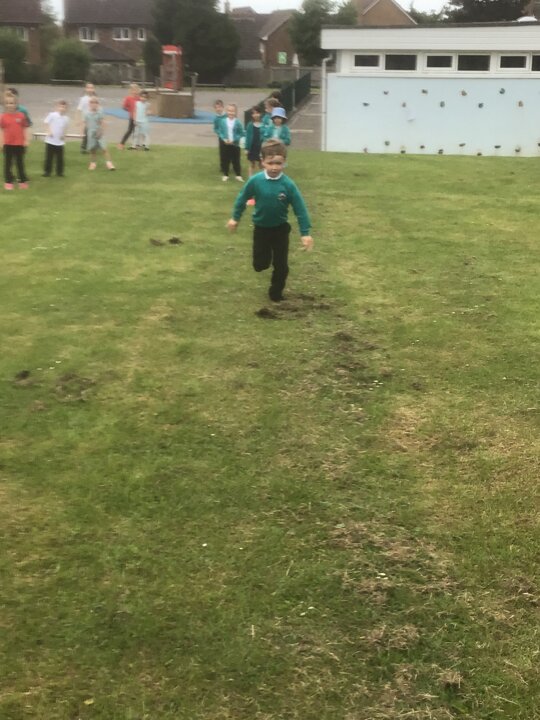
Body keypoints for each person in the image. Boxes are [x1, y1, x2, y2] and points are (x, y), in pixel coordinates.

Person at [227, 139, 313, 302]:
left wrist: (305, 233)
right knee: (260, 265)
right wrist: (235, 218)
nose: (274, 167)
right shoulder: (255, 181)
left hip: (280, 230)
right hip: (261, 229)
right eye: (270, 163)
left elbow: (300, 208)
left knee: (282, 266)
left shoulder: (288, 185)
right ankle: (263, 261)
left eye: (278, 163)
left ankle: (276, 294)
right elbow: (242, 198)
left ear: (284, 162)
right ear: (263, 162)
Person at [1, 92, 30, 190]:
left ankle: (22, 180)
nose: (10, 105)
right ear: (5, 105)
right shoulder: (3, 117)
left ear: (16, 104)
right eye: (8, 103)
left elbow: (25, 128)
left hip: (19, 144)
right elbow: (1, 130)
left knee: (20, 163)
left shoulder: (21, 116)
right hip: (8, 144)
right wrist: (1, 143)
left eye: (12, 103)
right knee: (8, 164)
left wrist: (26, 140)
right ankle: (8, 181)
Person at [84, 96, 115, 171]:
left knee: (104, 148)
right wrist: (84, 132)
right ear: (89, 104)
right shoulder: (87, 113)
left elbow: (102, 122)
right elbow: (86, 123)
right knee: (92, 149)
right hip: (91, 133)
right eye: (92, 103)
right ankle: (93, 163)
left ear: (97, 104)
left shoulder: (100, 112)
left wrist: (101, 131)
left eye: (95, 103)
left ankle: (109, 164)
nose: (94, 104)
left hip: (99, 132)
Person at [217, 103, 245, 182]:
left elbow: (241, 133)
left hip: (235, 144)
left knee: (236, 160)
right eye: (229, 111)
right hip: (225, 144)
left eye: (233, 111)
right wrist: (224, 139)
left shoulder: (238, 122)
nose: (231, 113)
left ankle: (238, 175)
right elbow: (220, 132)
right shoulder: (223, 121)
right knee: (226, 159)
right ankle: (225, 174)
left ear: (235, 112)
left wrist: (234, 139)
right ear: (226, 111)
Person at [43, 100, 69, 178]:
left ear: (66, 109)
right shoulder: (52, 115)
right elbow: (46, 123)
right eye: (61, 107)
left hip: (60, 142)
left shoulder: (66, 118)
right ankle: (47, 172)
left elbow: (65, 128)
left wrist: (64, 135)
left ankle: (59, 172)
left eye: (64, 107)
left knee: (60, 158)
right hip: (50, 141)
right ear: (57, 107)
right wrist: (49, 131)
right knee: (49, 157)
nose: (62, 108)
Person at [118, 83, 140, 149]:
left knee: (136, 132)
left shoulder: (138, 98)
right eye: (133, 90)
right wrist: (130, 110)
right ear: (130, 91)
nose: (135, 92)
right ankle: (121, 143)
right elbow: (124, 107)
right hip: (132, 117)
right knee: (129, 131)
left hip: (138, 118)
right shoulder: (128, 98)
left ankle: (135, 145)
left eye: (136, 90)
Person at [77, 82, 96, 153]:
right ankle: (83, 147)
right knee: (86, 134)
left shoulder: (95, 99)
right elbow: (79, 109)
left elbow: (97, 108)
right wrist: (78, 120)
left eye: (92, 88)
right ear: (86, 89)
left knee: (93, 134)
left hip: (94, 119)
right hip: (86, 120)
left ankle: (92, 147)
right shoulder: (83, 99)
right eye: (88, 88)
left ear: (94, 89)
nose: (90, 89)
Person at [245, 105, 263, 177]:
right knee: (252, 164)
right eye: (253, 113)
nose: (255, 115)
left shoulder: (263, 124)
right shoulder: (250, 125)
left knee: (262, 164)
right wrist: (247, 148)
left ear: (260, 113)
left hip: (261, 147)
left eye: (257, 113)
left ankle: (262, 178)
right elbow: (247, 137)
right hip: (252, 147)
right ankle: (250, 178)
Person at [213, 99, 226, 174]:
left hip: (228, 137)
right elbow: (215, 128)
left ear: (222, 107)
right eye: (216, 107)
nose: (218, 109)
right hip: (221, 138)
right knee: (222, 152)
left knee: (229, 152)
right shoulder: (216, 119)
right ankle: (223, 167)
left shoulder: (226, 116)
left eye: (219, 107)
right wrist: (219, 133)